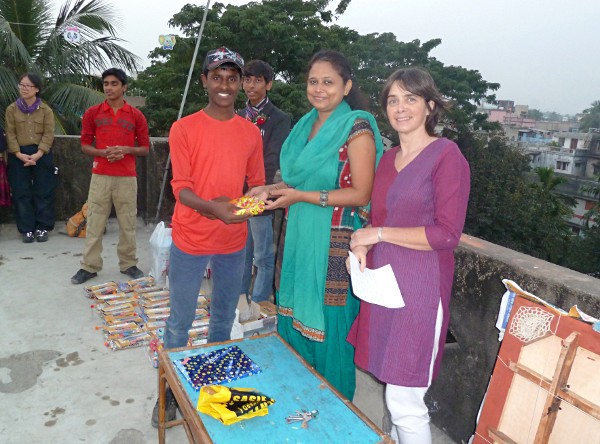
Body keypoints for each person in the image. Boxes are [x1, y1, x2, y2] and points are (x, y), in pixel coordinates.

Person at [249, 50, 383, 400]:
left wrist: (300, 197)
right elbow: (301, 182)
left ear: (347, 86)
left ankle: (335, 409)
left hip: (333, 242)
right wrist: (269, 189)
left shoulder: (357, 127)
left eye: (328, 82)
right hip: (298, 236)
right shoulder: (305, 127)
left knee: (330, 324)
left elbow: (361, 193)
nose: (319, 89)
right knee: (293, 311)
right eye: (313, 81)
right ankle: (299, 399)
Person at [347, 67, 470, 444]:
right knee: (394, 388)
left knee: (405, 400)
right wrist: (365, 242)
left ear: (429, 106)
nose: (400, 108)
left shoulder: (446, 156)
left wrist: (379, 234)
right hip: (386, 286)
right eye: (393, 100)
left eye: (410, 99)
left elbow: (447, 233)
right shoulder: (388, 159)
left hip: (420, 289)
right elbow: (381, 219)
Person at [151, 47, 264, 427]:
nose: (224, 85)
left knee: (222, 317)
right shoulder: (184, 128)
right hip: (191, 238)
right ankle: (169, 393)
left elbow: (257, 186)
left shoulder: (250, 132)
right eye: (217, 77)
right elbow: (180, 188)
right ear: (204, 81)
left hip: (233, 242)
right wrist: (215, 209)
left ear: (241, 83)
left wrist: (241, 210)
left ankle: (211, 389)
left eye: (232, 78)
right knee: (179, 320)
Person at [71, 68, 150, 285]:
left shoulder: (136, 115)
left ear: (124, 87)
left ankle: (128, 264)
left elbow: (144, 148)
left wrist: (126, 149)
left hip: (127, 176)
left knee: (128, 222)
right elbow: (85, 144)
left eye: (114, 84)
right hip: (101, 175)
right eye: (106, 83)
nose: (109, 88)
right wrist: (102, 153)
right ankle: (89, 266)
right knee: (95, 222)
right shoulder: (93, 113)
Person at [238, 60, 291, 303]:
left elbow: (272, 159)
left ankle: (259, 303)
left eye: (258, 80)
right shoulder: (237, 116)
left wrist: (256, 191)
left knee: (262, 256)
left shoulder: (279, 118)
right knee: (241, 252)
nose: (251, 85)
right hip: (238, 194)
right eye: (247, 80)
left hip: (260, 193)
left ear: (268, 84)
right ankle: (240, 299)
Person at [5, 73, 56, 243]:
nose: (24, 89)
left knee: (44, 191)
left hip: (41, 153)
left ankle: (43, 227)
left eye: (28, 86)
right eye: (22, 85)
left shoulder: (46, 110)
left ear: (37, 89)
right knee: (21, 192)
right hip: (18, 154)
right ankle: (26, 229)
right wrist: (18, 154)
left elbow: (48, 134)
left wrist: (38, 154)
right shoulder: (12, 109)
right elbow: (10, 134)